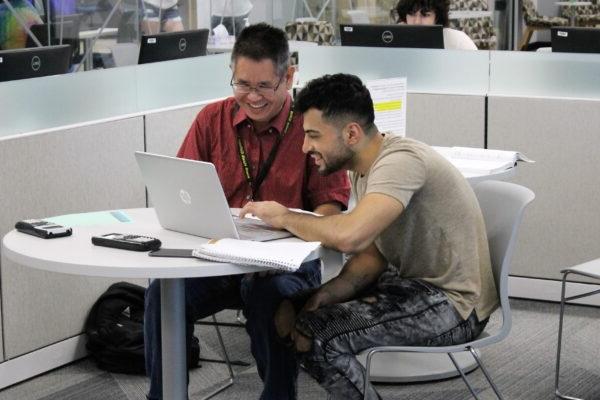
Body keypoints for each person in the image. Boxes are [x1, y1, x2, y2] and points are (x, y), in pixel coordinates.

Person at [240, 73, 498, 400]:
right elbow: (372, 254)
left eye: (314, 136)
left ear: (351, 133)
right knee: (284, 311)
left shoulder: (400, 162)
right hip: (409, 285)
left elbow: (351, 237)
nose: (305, 147)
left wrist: (284, 217)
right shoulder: (364, 165)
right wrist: (329, 293)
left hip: (456, 305)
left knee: (314, 335)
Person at [143, 24, 350, 400]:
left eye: (263, 87)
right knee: (161, 294)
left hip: (286, 263)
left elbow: (330, 206)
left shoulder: (312, 125)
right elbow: (181, 188)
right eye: (242, 85)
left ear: (288, 76)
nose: (251, 98)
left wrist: (291, 242)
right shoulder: (211, 120)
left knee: (269, 296)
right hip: (221, 257)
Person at [394, 0, 478, 50]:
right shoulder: (394, 38)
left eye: (425, 15)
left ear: (437, 17)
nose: (417, 22)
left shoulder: (457, 41)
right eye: (412, 14)